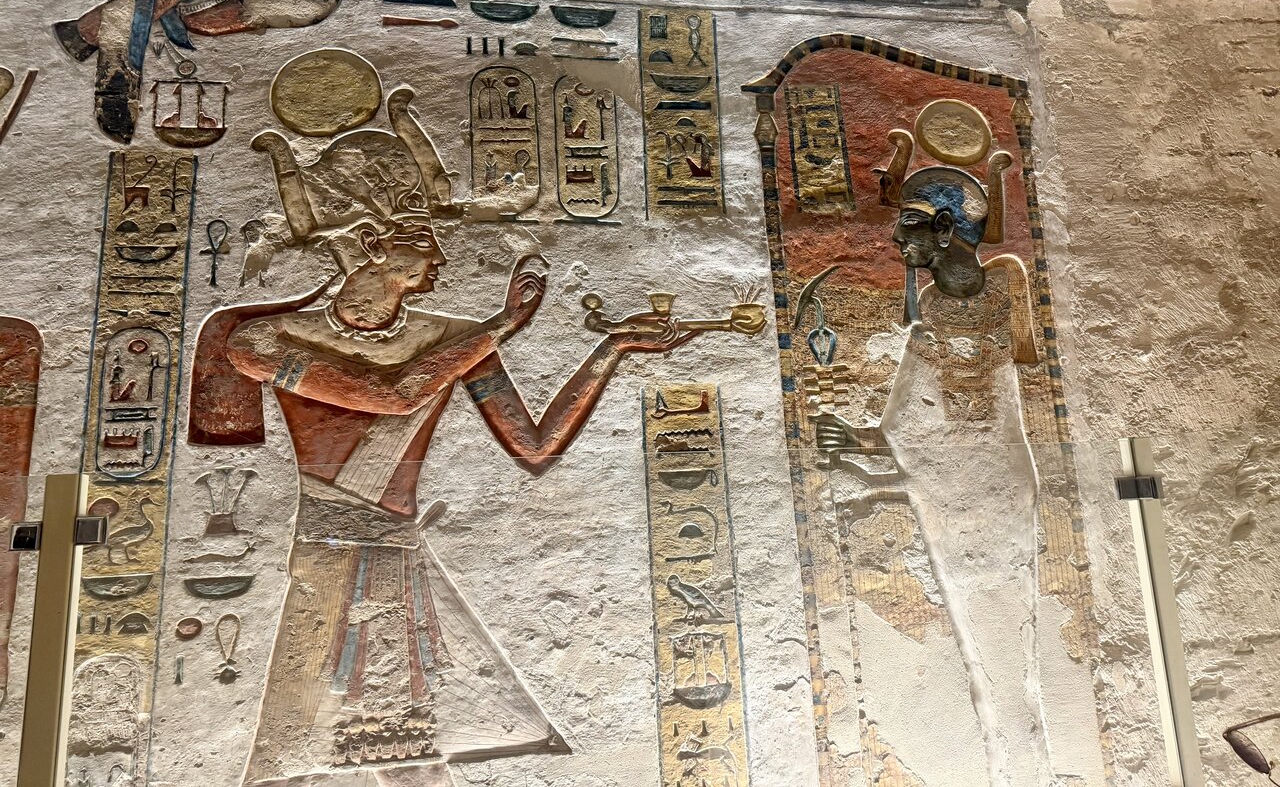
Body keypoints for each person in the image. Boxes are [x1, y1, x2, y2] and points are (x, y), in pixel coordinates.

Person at [189, 91, 701, 786]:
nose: (440, 258)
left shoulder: (457, 339)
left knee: (414, 758)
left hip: (399, 556)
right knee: (306, 757)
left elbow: (535, 445)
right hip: (324, 556)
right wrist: (502, 327)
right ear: (373, 246)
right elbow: (394, 395)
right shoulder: (261, 340)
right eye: (423, 241)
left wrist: (612, 350)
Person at [814, 143, 1050, 787]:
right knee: (979, 653)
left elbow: (981, 422)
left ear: (945, 229)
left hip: (992, 494)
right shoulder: (934, 316)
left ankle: (1022, 761)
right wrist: (858, 441)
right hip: (957, 489)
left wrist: (870, 449)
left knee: (1003, 650)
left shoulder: (1005, 288)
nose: (895, 239)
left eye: (908, 226)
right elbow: (911, 428)